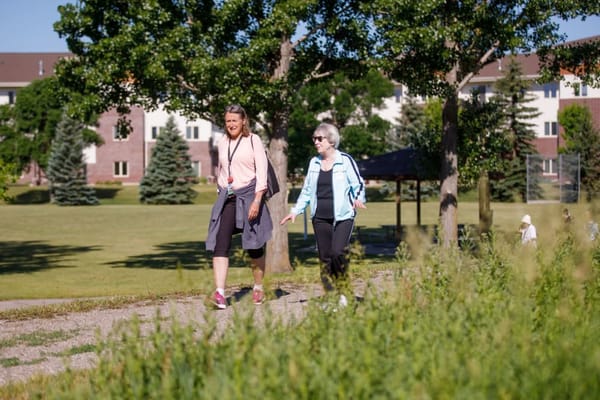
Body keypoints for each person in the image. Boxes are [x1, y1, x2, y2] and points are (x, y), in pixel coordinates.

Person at [281, 122, 366, 307]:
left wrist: (359, 199)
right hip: (320, 217)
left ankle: (345, 293)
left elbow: (358, 184)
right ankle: (332, 296)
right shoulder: (314, 163)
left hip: (343, 216)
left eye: (320, 138)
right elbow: (307, 190)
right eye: (314, 138)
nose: (316, 142)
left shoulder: (345, 160)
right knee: (325, 259)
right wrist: (296, 210)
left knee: (337, 253)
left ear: (331, 141)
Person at [206, 104, 273, 309]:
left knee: (254, 247)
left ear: (243, 121)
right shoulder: (223, 141)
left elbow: (262, 172)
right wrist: (221, 190)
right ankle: (219, 293)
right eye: (227, 121)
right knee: (220, 242)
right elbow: (222, 169)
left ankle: (259, 287)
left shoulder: (253, 141)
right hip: (229, 198)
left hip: (251, 196)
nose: (231, 124)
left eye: (234, 120)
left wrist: (257, 199)